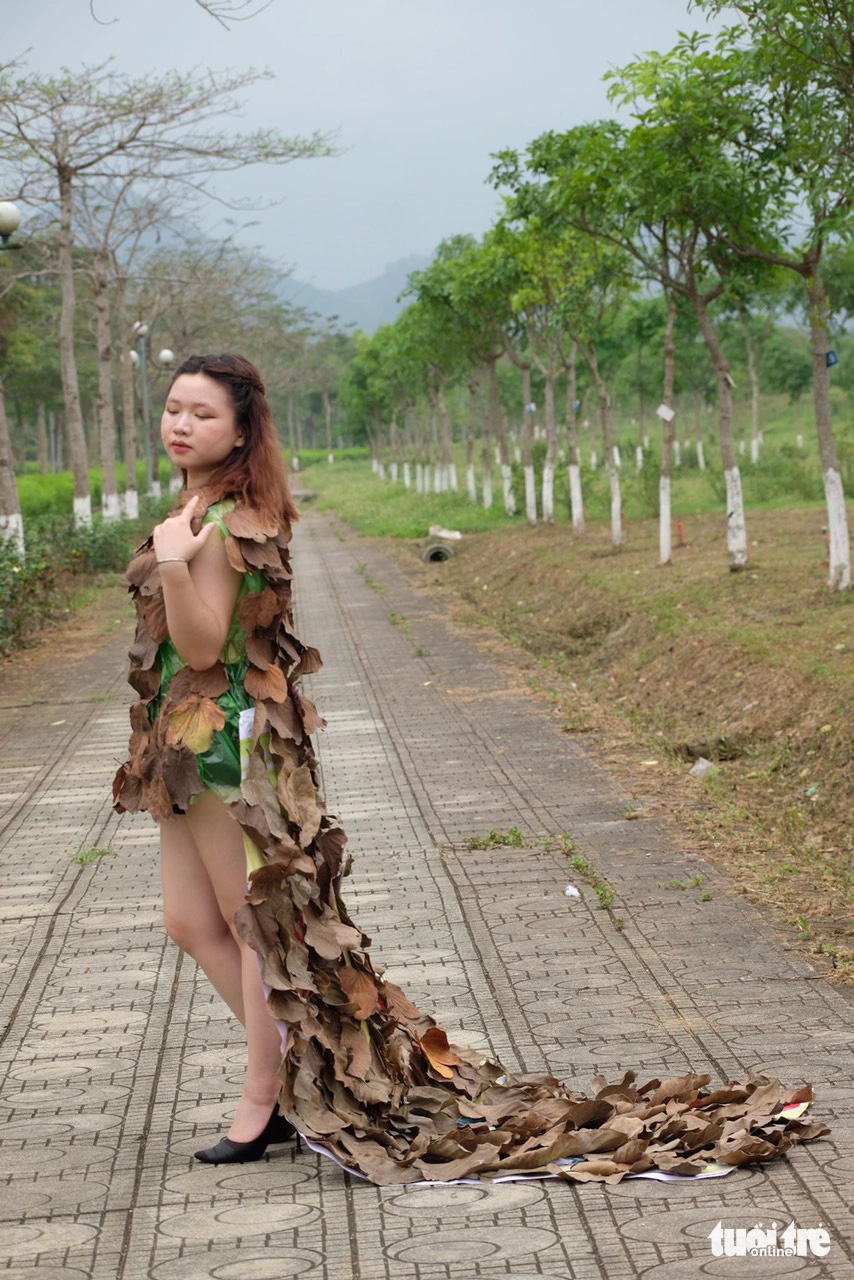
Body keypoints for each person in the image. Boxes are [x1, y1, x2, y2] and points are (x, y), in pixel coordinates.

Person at [115, 353, 826, 1184]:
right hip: (180, 743)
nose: (179, 424)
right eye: (172, 409)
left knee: (250, 929)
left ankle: (263, 1095)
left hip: (227, 742)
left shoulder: (230, 520)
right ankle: (292, 1079)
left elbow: (205, 647)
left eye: (200, 414)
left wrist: (170, 559)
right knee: (188, 921)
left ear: (240, 430)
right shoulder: (193, 507)